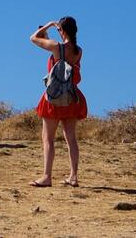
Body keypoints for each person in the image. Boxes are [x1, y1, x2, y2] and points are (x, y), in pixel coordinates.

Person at [28, 16, 87, 187]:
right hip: (71, 97)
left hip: (54, 98)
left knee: (48, 139)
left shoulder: (56, 46)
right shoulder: (78, 51)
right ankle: (73, 176)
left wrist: (47, 26)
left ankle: (47, 176)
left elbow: (33, 38)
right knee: (71, 139)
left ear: (62, 30)